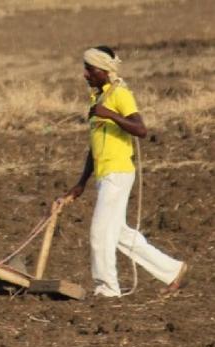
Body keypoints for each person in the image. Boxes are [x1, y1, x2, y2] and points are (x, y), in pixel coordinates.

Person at [65, 45, 188, 297]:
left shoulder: (120, 94)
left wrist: (109, 114)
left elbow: (141, 129)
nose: (85, 74)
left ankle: (107, 290)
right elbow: (94, 146)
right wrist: (81, 183)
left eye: (90, 69)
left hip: (118, 173)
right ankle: (173, 270)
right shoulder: (96, 98)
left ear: (104, 70)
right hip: (104, 174)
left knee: (100, 234)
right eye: (85, 69)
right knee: (119, 234)